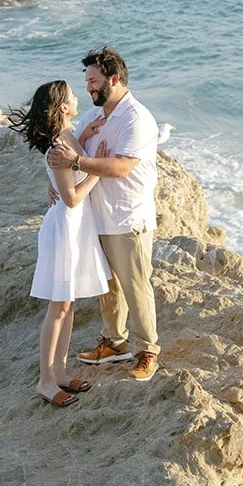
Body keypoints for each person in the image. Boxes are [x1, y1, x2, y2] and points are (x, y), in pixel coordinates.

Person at [48, 46, 160, 382]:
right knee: (107, 285)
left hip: (128, 216)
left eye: (94, 81)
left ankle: (147, 350)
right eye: (86, 82)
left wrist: (78, 163)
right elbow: (71, 145)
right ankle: (114, 342)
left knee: (135, 285)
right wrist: (54, 181)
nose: (89, 88)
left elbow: (122, 166)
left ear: (115, 78)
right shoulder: (95, 116)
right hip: (96, 215)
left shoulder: (136, 118)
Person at [9, 79, 109, 408]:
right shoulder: (56, 147)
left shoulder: (67, 136)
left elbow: (67, 164)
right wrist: (99, 170)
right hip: (66, 227)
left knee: (69, 306)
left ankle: (61, 372)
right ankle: (45, 381)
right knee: (58, 308)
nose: (78, 97)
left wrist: (85, 136)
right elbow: (71, 198)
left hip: (75, 228)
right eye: (72, 96)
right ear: (63, 107)